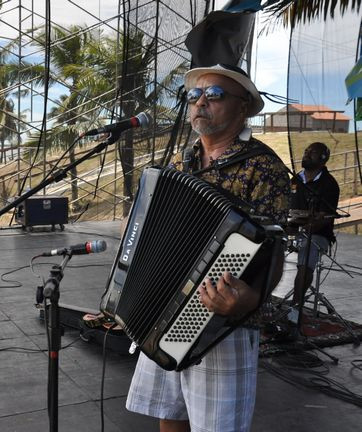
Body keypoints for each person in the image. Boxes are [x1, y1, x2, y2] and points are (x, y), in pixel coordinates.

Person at [125, 64, 290, 432]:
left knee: (217, 426)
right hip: (164, 306)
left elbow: (274, 251)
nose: (200, 102)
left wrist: (250, 300)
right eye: (194, 95)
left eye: (214, 94)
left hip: (221, 317)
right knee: (170, 413)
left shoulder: (263, 168)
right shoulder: (181, 161)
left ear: (243, 106)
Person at [290, 142, 340, 307]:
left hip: (317, 233)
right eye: (306, 151)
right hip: (292, 229)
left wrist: (306, 228)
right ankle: (259, 301)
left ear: (323, 159)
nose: (306, 154)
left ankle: (295, 307)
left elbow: (325, 217)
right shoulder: (296, 179)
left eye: (312, 152)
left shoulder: (330, 185)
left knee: (308, 250)